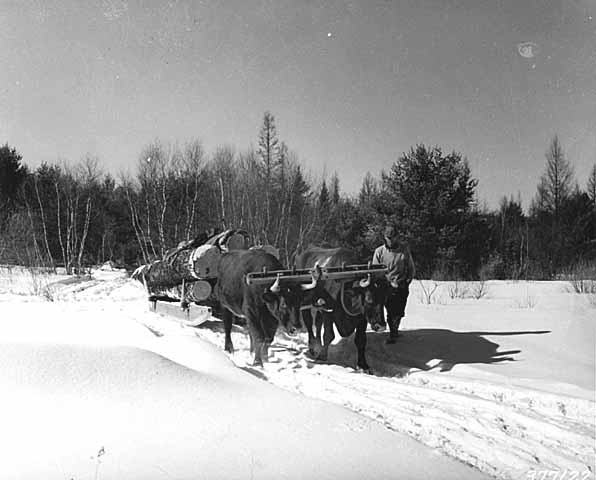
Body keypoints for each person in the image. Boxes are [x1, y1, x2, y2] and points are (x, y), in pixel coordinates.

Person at [372, 225, 416, 344]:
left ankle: (395, 328)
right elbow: (375, 271)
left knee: (398, 311)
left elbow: (411, 268)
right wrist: (383, 282)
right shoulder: (379, 251)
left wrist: (407, 281)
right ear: (384, 237)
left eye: (393, 237)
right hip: (384, 285)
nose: (391, 240)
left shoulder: (404, 250)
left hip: (400, 284)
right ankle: (391, 333)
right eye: (388, 237)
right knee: (386, 310)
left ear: (397, 237)